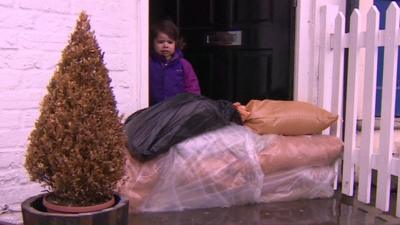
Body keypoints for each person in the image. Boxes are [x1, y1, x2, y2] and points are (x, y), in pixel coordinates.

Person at [149, 19, 201, 105]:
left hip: (178, 110)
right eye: (160, 42)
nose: (165, 46)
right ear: (152, 43)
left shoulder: (183, 65)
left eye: (170, 42)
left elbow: (192, 88)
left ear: (176, 44)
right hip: (154, 109)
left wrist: (191, 106)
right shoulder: (148, 63)